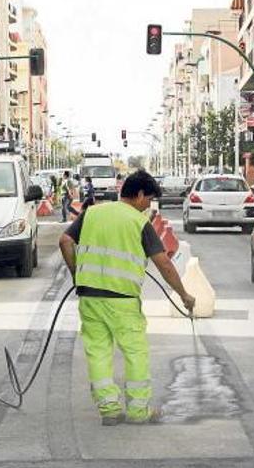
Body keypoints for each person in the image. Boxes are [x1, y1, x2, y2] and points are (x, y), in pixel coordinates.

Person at [59, 171, 196, 426]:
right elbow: (164, 263)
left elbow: (65, 240)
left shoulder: (92, 213)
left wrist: (77, 274)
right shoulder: (138, 222)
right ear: (141, 194)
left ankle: (109, 410)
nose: (149, 205)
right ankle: (138, 411)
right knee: (135, 353)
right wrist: (184, 295)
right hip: (122, 300)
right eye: (150, 199)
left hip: (89, 297)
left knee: (98, 352)